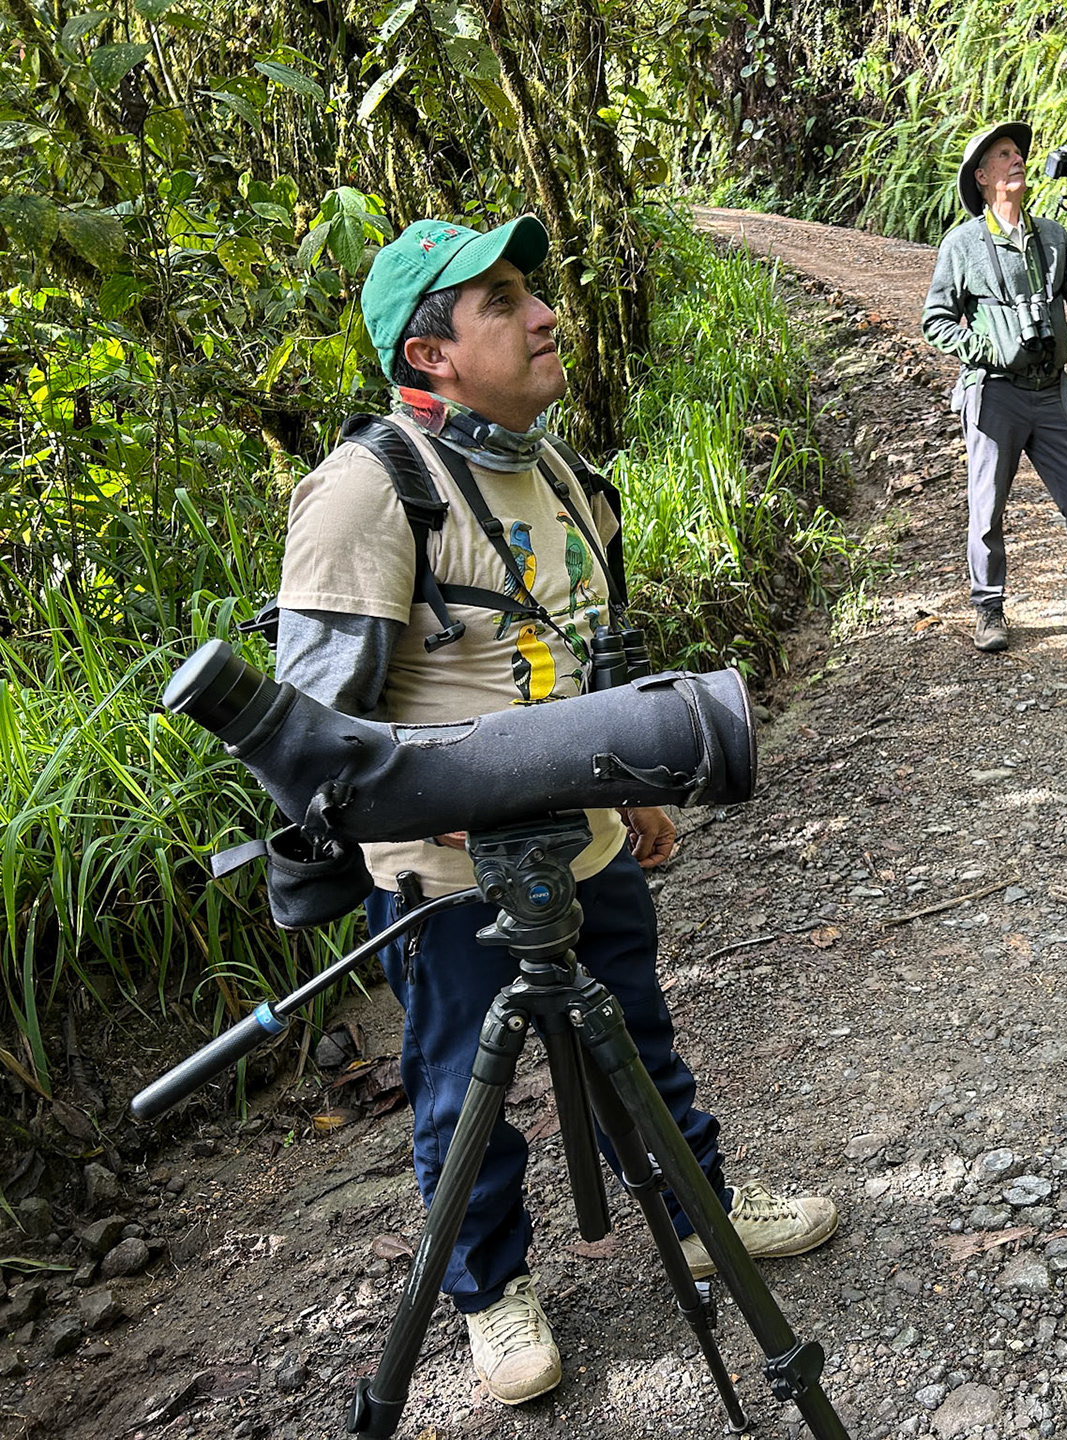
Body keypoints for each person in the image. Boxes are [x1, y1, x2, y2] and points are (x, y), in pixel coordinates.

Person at [272, 214, 837, 1406]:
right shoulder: (369, 493)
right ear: (431, 355)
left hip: (584, 843)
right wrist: (439, 798)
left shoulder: (564, 472)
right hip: (447, 875)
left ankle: (700, 1214)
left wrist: (624, 785)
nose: (543, 316)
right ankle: (487, 1292)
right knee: (461, 1091)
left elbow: (595, 651)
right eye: (504, 303)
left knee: (635, 1036)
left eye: (535, 291)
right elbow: (311, 732)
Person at [921, 120, 1067, 653]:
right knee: (987, 505)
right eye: (1003, 155)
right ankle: (989, 609)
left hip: (1049, 392)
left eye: (1018, 153)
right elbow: (936, 319)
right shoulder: (961, 245)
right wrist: (987, 348)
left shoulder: (1051, 233)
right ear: (982, 177)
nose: (1016, 159)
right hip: (994, 392)